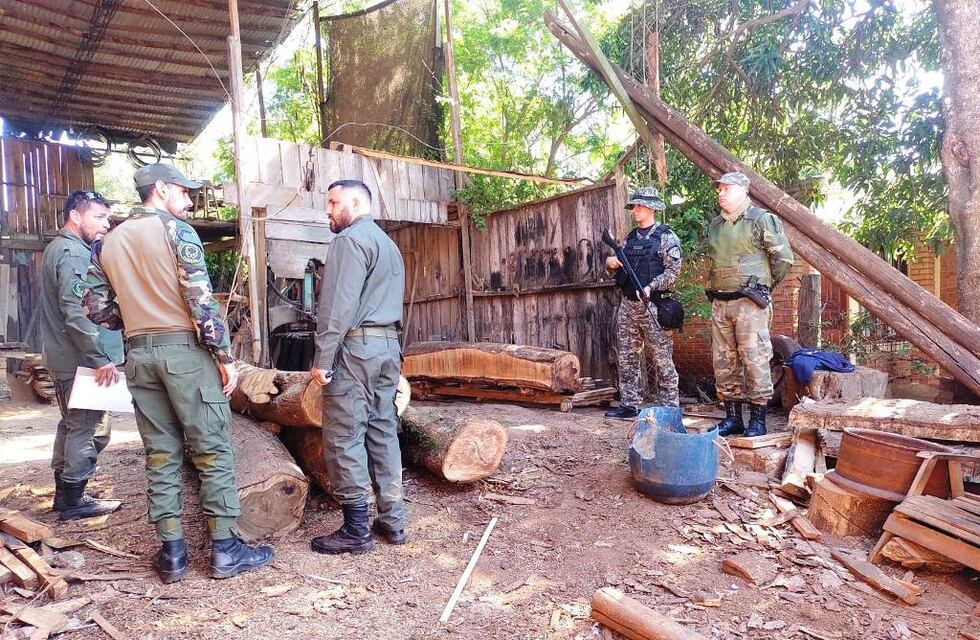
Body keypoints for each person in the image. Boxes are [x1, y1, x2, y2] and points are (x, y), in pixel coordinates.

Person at [82, 163, 273, 583]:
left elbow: (94, 307)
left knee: (161, 454)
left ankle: (172, 554)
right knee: (212, 449)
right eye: (185, 193)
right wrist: (223, 355)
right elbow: (201, 301)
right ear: (163, 189)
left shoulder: (108, 241)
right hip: (185, 354)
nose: (189, 202)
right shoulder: (176, 232)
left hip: (139, 355)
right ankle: (225, 548)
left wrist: (134, 317)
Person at [310, 179, 406, 555]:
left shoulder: (349, 241)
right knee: (382, 428)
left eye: (334, 203)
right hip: (387, 347)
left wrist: (322, 358)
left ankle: (356, 530)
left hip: (356, 349)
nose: (329, 211)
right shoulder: (388, 244)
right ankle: (392, 520)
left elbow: (337, 306)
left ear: (355, 202)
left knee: (344, 434)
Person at [39, 191, 124, 520]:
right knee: (90, 428)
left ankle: (67, 495)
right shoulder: (74, 252)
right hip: (81, 359)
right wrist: (99, 357)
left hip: (65, 356)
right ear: (75, 216)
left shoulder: (57, 248)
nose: (106, 224)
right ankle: (74, 501)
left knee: (72, 424)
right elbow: (76, 313)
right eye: (99, 217)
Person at [706, 172, 794, 437]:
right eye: (719, 189)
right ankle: (733, 418)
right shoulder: (715, 226)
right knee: (723, 362)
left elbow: (783, 260)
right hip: (721, 303)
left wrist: (763, 287)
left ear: (743, 191)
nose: (721, 193)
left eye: (726, 188)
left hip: (750, 303)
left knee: (755, 359)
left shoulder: (762, 220)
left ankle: (758, 420)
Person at [604, 187, 682, 419]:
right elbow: (612, 271)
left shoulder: (666, 237)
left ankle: (670, 406)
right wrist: (611, 264)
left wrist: (651, 286)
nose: (635, 210)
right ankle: (629, 403)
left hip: (653, 306)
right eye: (634, 206)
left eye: (639, 206)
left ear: (651, 208)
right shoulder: (628, 239)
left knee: (661, 357)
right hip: (628, 305)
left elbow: (673, 273)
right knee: (627, 356)